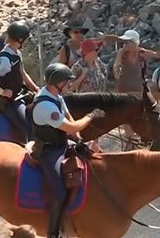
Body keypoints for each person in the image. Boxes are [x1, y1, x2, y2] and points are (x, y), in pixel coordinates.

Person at [31, 63, 105, 238]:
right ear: (57, 82)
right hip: (49, 150)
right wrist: (90, 116)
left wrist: (78, 138)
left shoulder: (56, 95)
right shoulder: (45, 106)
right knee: (59, 191)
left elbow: (68, 116)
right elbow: (71, 126)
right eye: (66, 81)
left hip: (62, 143)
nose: (68, 84)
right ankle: (53, 233)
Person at [0, 21, 40, 141]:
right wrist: (2, 91)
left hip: (20, 93)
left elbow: (22, 73)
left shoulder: (16, 53)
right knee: (27, 126)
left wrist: (35, 87)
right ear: (20, 40)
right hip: (10, 100)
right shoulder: (5, 59)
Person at [112, 30, 159, 149]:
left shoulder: (141, 53)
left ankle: (135, 140)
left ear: (135, 43)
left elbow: (156, 55)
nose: (125, 45)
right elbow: (116, 66)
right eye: (125, 42)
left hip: (137, 90)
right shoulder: (122, 53)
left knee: (137, 114)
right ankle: (130, 141)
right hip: (124, 89)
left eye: (128, 42)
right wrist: (117, 73)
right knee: (125, 116)